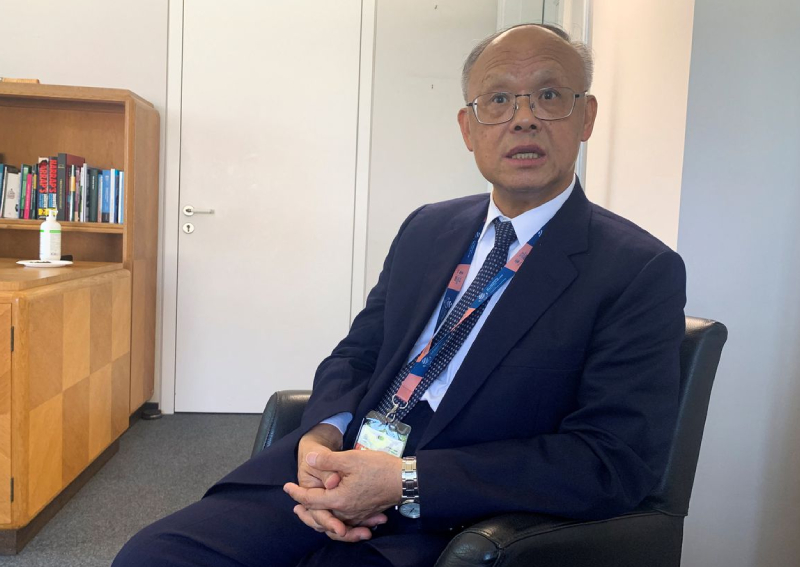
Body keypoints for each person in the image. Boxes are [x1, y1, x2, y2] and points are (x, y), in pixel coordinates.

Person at [113, 23, 686, 567]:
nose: (523, 119)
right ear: (468, 128)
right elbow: (358, 352)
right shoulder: (427, 228)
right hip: (338, 462)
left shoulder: (637, 271)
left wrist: (405, 481)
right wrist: (321, 435)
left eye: (550, 96)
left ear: (586, 117)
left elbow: (611, 459)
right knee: (154, 556)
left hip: (449, 509)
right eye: (498, 100)